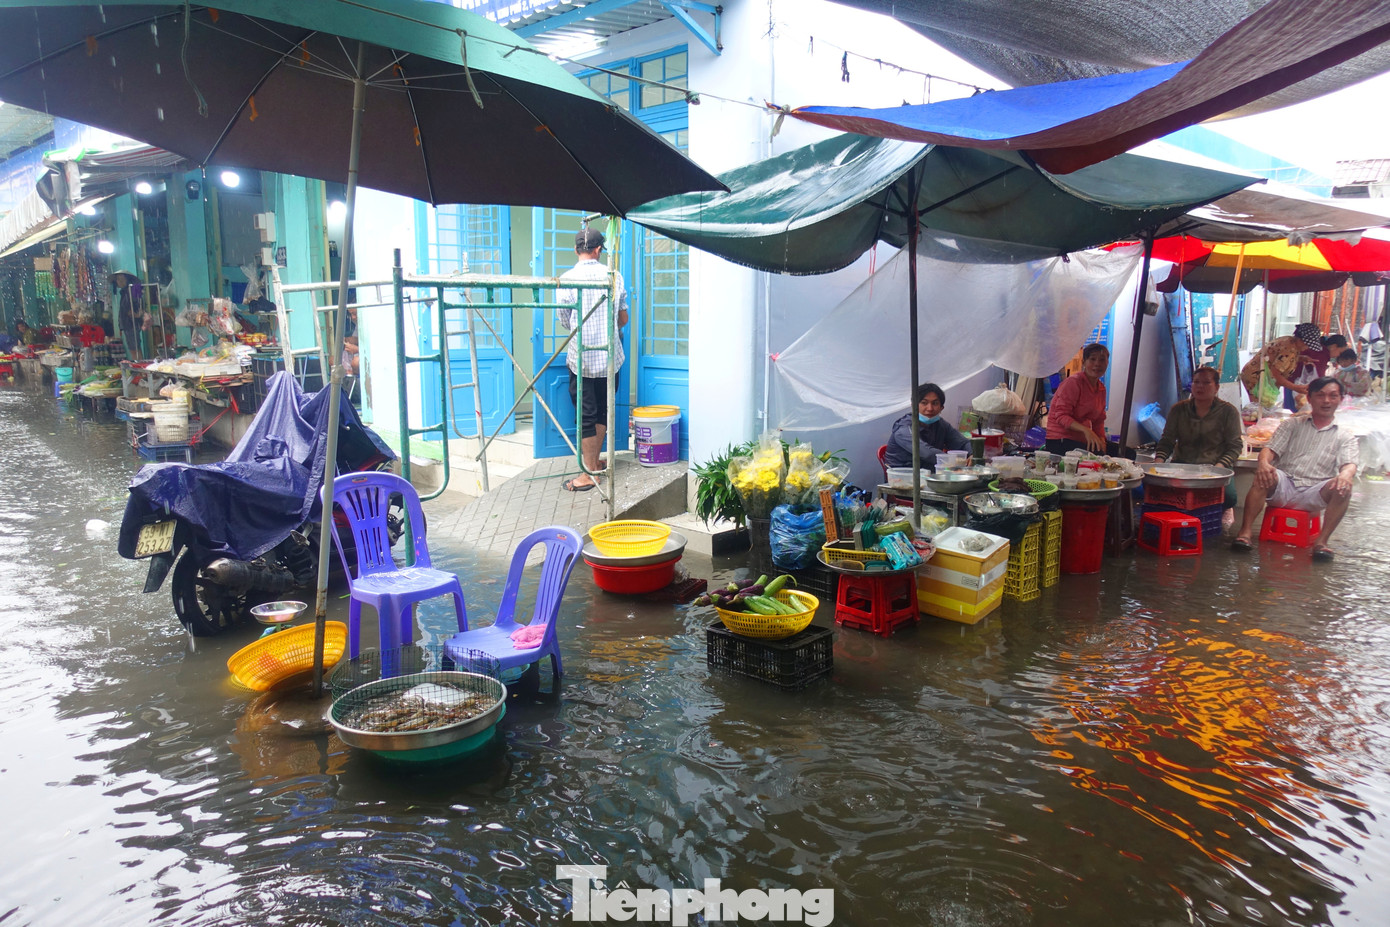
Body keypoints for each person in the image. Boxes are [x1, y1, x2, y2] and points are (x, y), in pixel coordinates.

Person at [1230, 376, 1357, 561]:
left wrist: (1345, 475)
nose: (1326, 401)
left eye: (1333, 396)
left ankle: (1322, 542)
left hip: (1316, 491)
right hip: (1284, 484)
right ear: (1310, 398)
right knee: (1265, 473)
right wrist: (1264, 463)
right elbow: (1269, 450)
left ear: (1340, 399)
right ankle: (1245, 533)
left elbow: (1350, 464)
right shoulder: (1291, 424)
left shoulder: (1345, 436)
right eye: (1320, 395)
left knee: (1343, 487)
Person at [556, 227, 628, 492]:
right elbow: (623, 318)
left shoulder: (566, 279)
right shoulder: (614, 276)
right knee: (602, 411)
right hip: (610, 359)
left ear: (576, 250)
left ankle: (588, 474)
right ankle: (594, 464)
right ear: (598, 250)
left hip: (582, 359)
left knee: (585, 416)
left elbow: (565, 321)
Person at [1153, 365, 1244, 527]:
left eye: (1206, 383)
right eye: (1196, 382)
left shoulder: (1228, 412)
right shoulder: (1178, 410)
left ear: (1216, 387)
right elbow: (1167, 440)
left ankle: (1224, 511)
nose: (1200, 386)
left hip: (1214, 466)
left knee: (1230, 498)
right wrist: (1157, 465)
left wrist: (1218, 468)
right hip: (1182, 465)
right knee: (1158, 491)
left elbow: (1235, 446)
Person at [884, 382, 970, 470]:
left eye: (935, 403)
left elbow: (963, 443)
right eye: (924, 403)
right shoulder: (904, 428)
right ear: (913, 405)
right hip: (904, 475)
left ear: (941, 408)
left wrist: (972, 454)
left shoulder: (941, 425)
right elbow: (927, 453)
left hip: (930, 473)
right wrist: (956, 461)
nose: (930, 408)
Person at [1045, 342, 1110, 454]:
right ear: (1084, 362)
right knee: (1098, 455)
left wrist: (1101, 439)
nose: (1097, 364)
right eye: (1092, 359)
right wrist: (1086, 430)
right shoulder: (1073, 383)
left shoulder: (1101, 389)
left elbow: (1098, 421)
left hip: (1081, 440)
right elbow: (1061, 416)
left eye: (1102, 360)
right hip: (1060, 440)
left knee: (1125, 453)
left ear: (1107, 363)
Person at [1239, 334, 1302, 409]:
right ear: (1300, 340)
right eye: (1306, 345)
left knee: (1261, 408)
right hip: (1257, 377)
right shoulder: (1289, 350)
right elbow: (1276, 374)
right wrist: (1295, 388)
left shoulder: (1288, 340)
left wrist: (1301, 358)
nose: (1307, 348)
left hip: (1253, 373)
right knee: (1259, 408)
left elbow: (1277, 357)